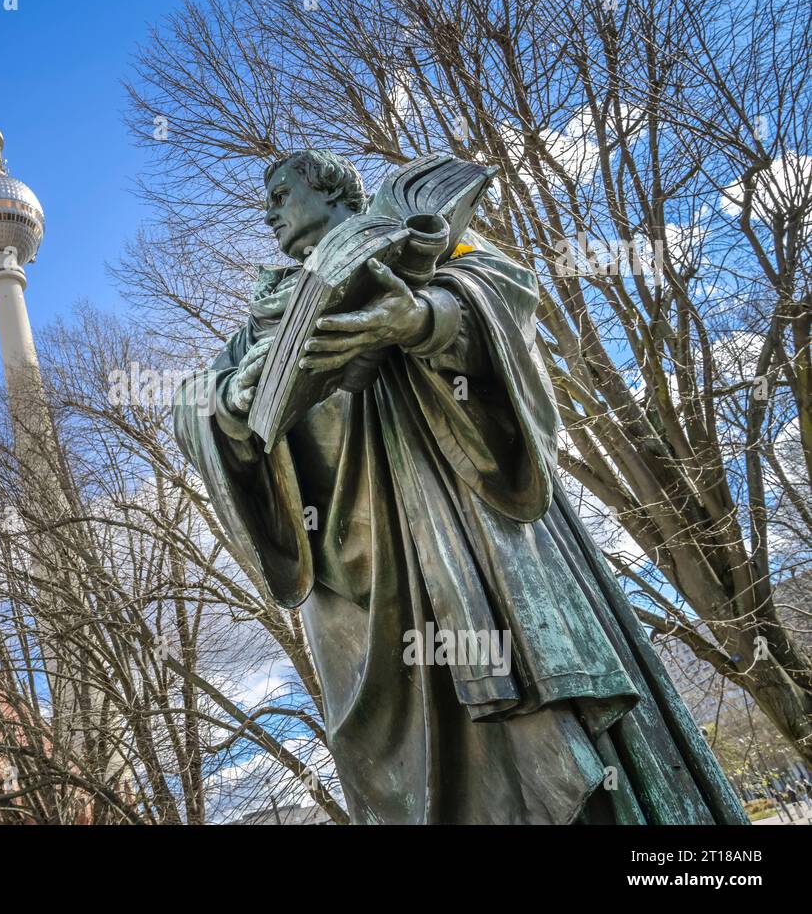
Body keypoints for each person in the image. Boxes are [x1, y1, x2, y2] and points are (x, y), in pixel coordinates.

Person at [173, 149, 747, 824]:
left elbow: (505, 294)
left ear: (334, 192)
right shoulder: (263, 319)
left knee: (537, 739)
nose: (268, 211)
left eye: (281, 192)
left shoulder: (421, 240)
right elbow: (196, 407)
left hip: (465, 520)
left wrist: (419, 322)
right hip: (355, 582)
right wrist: (232, 406)